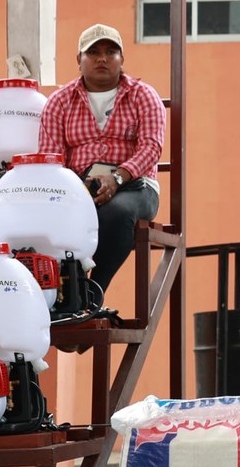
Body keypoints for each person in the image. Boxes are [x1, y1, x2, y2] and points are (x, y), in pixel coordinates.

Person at [35, 24, 167, 294]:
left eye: (110, 52)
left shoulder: (143, 95)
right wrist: (76, 189)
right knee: (42, 215)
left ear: (122, 58)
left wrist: (117, 178)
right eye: (93, 52)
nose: (102, 59)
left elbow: (152, 147)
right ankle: (63, 295)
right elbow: (52, 159)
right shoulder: (59, 101)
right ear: (79, 60)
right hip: (79, 189)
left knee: (116, 212)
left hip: (136, 187)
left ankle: (93, 292)